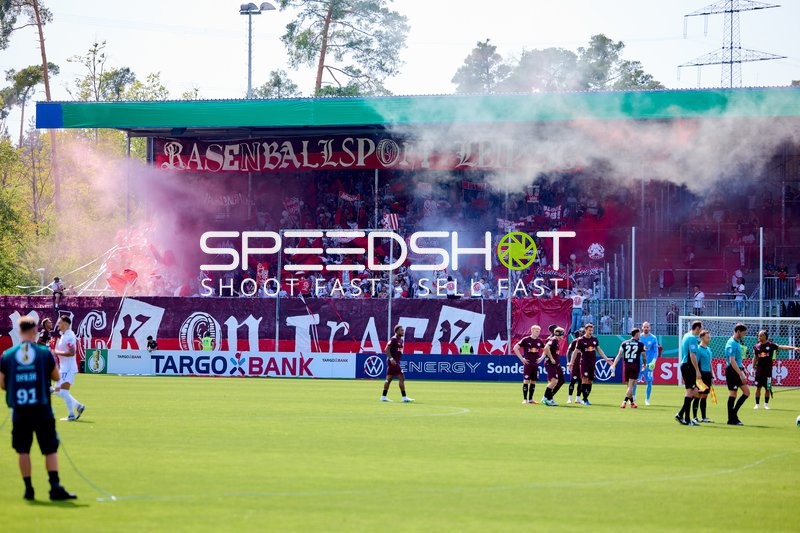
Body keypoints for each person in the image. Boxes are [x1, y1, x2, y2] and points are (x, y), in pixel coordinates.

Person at [0, 316, 77, 500]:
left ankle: (29, 490)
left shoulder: (8, 355)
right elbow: (57, 377)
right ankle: (54, 487)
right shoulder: (43, 353)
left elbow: (2, 384)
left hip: (20, 409)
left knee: (23, 450)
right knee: (50, 449)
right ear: (35, 330)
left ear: (19, 331)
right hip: (42, 408)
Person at [752, 330, 799, 410]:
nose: (759, 337)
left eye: (761, 335)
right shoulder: (756, 346)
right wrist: (753, 367)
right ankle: (757, 404)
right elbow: (755, 357)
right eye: (758, 336)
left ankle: (766, 404)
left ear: (765, 336)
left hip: (768, 371)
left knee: (768, 388)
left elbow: (782, 347)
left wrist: (793, 348)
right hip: (759, 371)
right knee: (758, 387)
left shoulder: (770, 345)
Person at [569, 323, 613, 406]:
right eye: (589, 330)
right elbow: (575, 352)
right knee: (584, 379)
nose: (591, 332)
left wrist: (606, 359)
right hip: (584, 362)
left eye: (592, 330)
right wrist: (571, 362)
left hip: (592, 363)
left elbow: (599, 350)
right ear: (585, 330)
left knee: (590, 381)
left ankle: (585, 398)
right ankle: (585, 399)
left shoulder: (594, 339)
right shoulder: (581, 340)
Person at [52, 316, 85, 421]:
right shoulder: (63, 335)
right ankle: (78, 406)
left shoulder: (69, 335)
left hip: (68, 368)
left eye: (60, 323)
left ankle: (71, 415)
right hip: (63, 368)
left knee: (64, 391)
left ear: (66, 324)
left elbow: (72, 352)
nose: (58, 324)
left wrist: (56, 352)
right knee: (57, 391)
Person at [675, 320, 703, 426]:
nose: (701, 331)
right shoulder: (692, 338)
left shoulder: (686, 335)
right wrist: (697, 370)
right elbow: (692, 355)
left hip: (686, 365)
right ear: (697, 328)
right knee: (690, 391)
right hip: (688, 366)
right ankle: (687, 419)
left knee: (695, 393)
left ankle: (681, 414)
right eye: (700, 329)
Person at [611, 328, 646, 409]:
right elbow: (644, 356)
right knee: (631, 387)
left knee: (628, 386)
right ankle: (624, 401)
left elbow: (619, 355)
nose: (640, 335)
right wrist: (644, 364)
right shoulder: (640, 344)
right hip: (635, 366)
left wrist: (614, 364)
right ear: (636, 334)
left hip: (626, 366)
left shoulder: (624, 343)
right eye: (639, 334)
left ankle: (632, 403)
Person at [724, 323, 750, 425]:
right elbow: (732, 361)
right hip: (732, 371)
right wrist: (741, 374)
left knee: (746, 392)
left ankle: (733, 415)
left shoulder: (737, 342)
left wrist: (743, 368)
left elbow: (737, 360)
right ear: (738, 331)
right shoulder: (731, 343)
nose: (744, 334)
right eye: (744, 333)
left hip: (737, 369)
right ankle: (731, 418)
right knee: (733, 394)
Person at [513, 325, 545, 404]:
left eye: (539, 331)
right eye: (536, 331)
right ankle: (525, 399)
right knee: (526, 380)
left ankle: (531, 399)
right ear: (532, 331)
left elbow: (546, 350)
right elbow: (515, 348)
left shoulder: (539, 341)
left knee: (533, 381)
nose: (538, 333)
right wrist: (522, 359)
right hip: (528, 364)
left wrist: (541, 358)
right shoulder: (526, 340)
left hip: (535, 364)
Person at [380, 325, 413, 403]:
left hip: (395, 362)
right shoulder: (394, 339)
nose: (403, 332)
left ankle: (383, 396)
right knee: (401, 377)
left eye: (403, 330)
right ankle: (404, 397)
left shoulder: (400, 340)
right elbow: (386, 349)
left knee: (388, 379)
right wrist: (391, 359)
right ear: (397, 331)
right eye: (401, 330)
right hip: (393, 362)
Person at [633, 321, 660, 405]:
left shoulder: (653, 338)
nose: (646, 328)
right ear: (642, 327)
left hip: (648, 364)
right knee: (634, 380)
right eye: (644, 327)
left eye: (647, 327)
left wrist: (653, 361)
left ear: (650, 328)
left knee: (649, 381)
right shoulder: (638, 337)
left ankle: (647, 399)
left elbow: (656, 351)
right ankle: (633, 396)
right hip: (638, 363)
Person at [539, 325, 566, 406]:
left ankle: (548, 397)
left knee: (561, 380)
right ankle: (547, 398)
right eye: (562, 334)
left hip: (556, 364)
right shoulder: (553, 339)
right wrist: (551, 358)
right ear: (558, 334)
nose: (563, 336)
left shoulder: (556, 341)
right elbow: (546, 347)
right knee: (554, 381)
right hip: (550, 363)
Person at [693, 330, 714, 423]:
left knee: (705, 396)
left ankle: (704, 417)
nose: (709, 339)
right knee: (698, 395)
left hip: (707, 375)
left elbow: (710, 363)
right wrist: (697, 374)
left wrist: (712, 376)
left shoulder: (708, 349)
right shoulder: (698, 349)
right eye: (707, 337)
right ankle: (694, 417)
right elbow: (695, 363)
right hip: (700, 375)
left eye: (709, 337)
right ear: (702, 338)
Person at [566, 328, 583, 404]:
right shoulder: (575, 341)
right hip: (575, 364)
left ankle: (578, 398)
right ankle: (569, 398)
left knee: (581, 382)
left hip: (583, 364)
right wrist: (569, 362)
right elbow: (568, 352)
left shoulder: (587, 342)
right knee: (573, 381)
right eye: (582, 332)